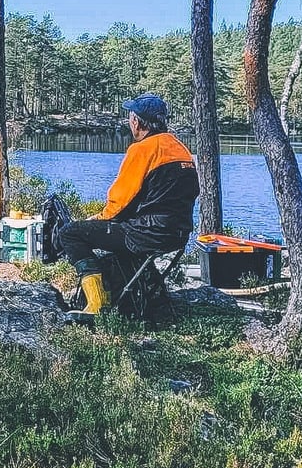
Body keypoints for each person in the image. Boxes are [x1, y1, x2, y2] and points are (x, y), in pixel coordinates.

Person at [59, 93, 199, 318]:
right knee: (115, 238)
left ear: (137, 122)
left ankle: (97, 303)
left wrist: (98, 218)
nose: (129, 122)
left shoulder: (142, 149)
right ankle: (139, 299)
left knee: (71, 233)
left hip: (145, 234)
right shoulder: (180, 148)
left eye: (130, 118)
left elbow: (120, 200)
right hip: (177, 235)